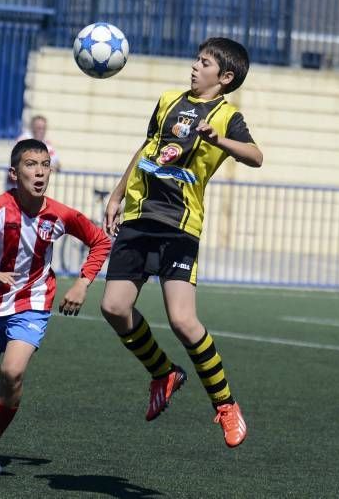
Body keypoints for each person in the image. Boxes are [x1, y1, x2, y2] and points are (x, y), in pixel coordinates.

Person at [99, 37, 263, 448]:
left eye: (203, 62)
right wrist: (118, 195)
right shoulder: (169, 99)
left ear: (224, 77)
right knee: (114, 307)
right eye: (196, 59)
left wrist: (217, 139)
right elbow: (146, 147)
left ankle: (225, 405)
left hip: (179, 225)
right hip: (139, 216)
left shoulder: (227, 116)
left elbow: (256, 156)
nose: (194, 66)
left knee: (183, 322)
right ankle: (163, 372)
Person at [0, 139, 112, 474]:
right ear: (14, 172)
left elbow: (101, 240)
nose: (39, 172)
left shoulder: (60, 214)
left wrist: (82, 284)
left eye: (45, 165)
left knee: (11, 373)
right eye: (31, 165)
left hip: (34, 303)